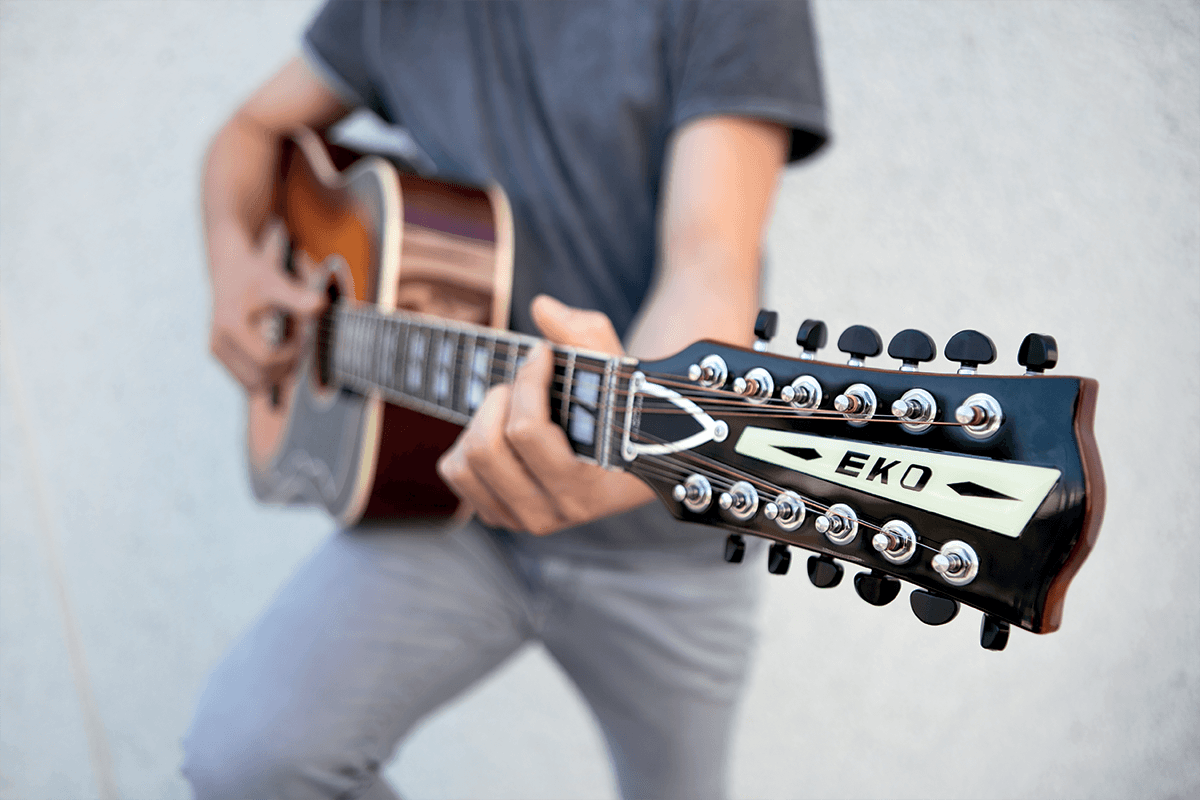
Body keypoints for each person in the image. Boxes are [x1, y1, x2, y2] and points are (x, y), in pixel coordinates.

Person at [183, 2, 827, 798]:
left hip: (665, 537)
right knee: (248, 758)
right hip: (450, 502)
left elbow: (708, 263)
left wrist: (628, 452)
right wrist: (232, 258)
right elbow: (248, 131)